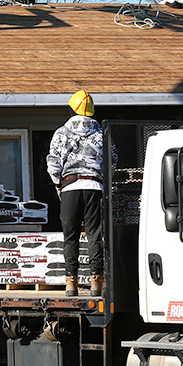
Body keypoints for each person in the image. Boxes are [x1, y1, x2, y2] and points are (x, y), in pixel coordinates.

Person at [46, 90, 114, 297]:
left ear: (72, 108)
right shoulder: (101, 132)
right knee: (94, 235)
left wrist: (59, 186)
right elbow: (112, 160)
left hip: (69, 187)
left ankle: (71, 285)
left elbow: (53, 163)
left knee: (71, 236)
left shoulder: (61, 133)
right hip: (94, 187)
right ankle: (96, 284)